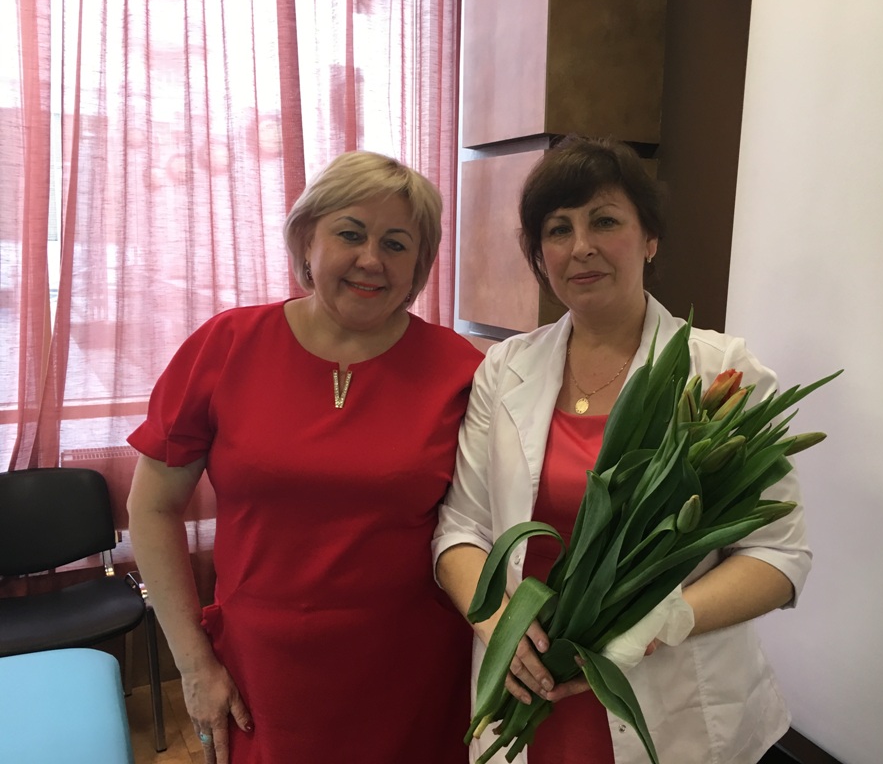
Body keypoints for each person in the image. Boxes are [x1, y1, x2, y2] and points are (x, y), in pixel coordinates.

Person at [433, 136, 811, 764]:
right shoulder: (504, 369)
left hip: (672, 700)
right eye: (558, 229)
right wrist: (498, 622)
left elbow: (779, 554)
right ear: (540, 256)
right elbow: (461, 529)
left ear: (649, 238)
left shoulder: (720, 373)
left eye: (604, 221)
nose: (581, 246)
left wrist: (663, 622)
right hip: (529, 688)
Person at [126, 151, 482, 763]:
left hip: (413, 676)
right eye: (351, 234)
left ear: (420, 265)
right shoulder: (226, 345)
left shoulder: (463, 371)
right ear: (306, 240)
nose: (371, 259)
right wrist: (194, 663)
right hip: (263, 675)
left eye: (396, 244)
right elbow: (152, 508)